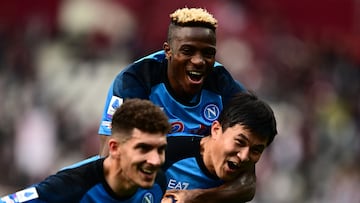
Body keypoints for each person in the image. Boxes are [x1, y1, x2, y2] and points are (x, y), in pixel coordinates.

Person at [98, 7, 246, 156]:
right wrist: (199, 144)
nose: (198, 61)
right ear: (168, 51)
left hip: (200, 175)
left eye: (208, 53)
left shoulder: (222, 82)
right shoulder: (135, 80)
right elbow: (111, 155)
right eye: (187, 51)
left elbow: (254, 132)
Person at [0, 99, 171, 203]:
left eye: (160, 149)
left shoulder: (157, 183)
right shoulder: (69, 187)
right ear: (114, 148)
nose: (155, 160)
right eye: (143, 148)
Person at [161, 92, 278, 203]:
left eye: (256, 150)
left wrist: (197, 198)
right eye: (239, 142)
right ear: (216, 130)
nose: (244, 156)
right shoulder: (168, 151)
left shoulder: (237, 182)